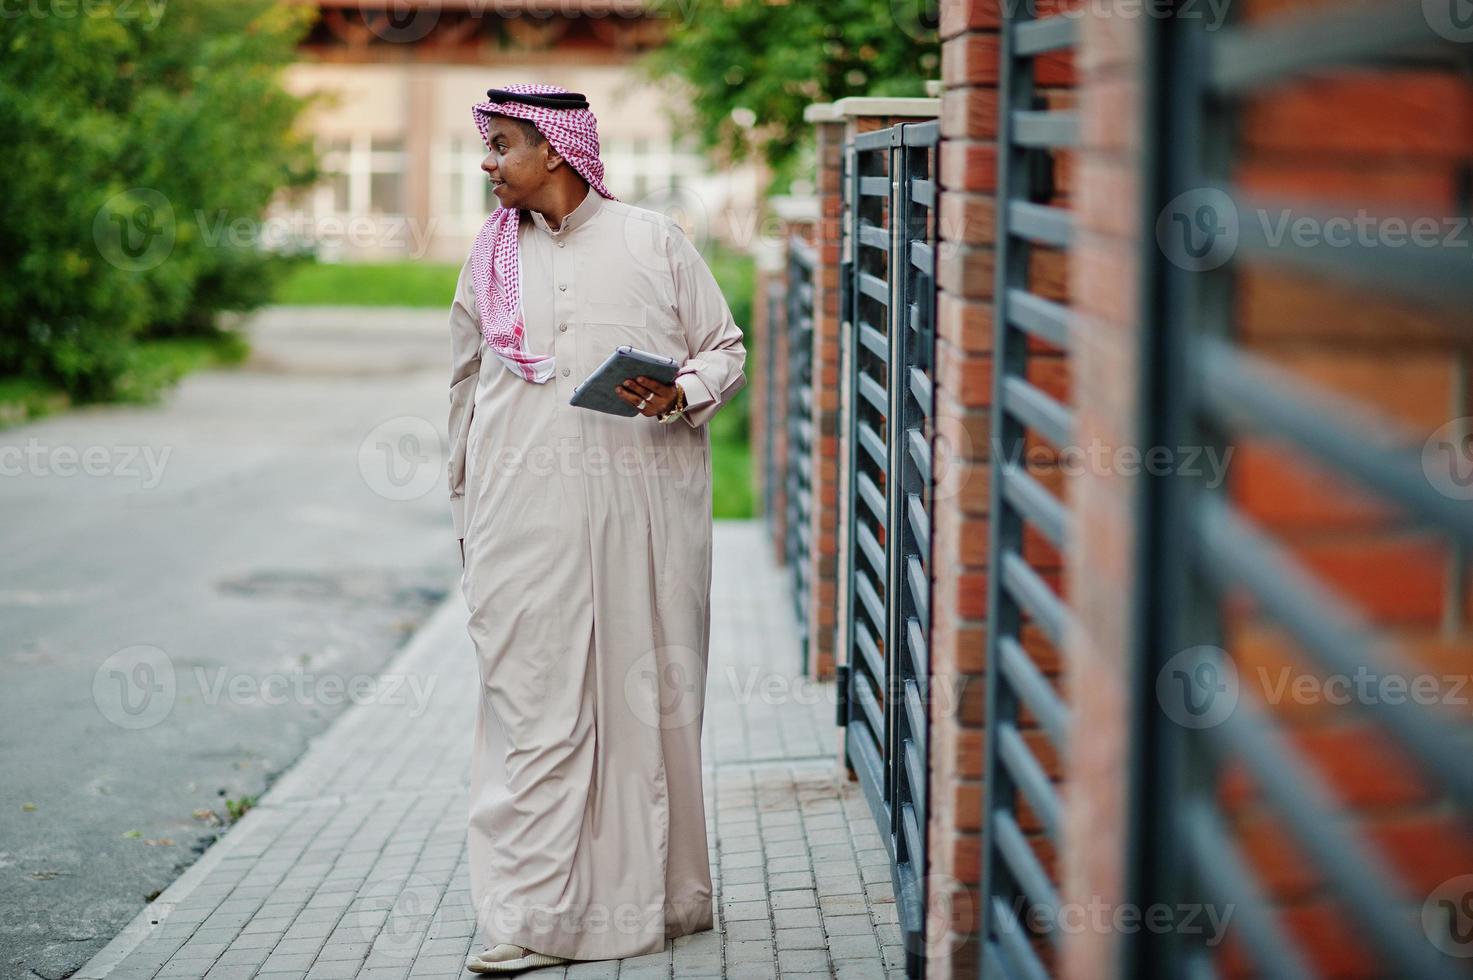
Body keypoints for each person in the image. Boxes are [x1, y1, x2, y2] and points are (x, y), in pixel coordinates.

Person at [445, 82, 747, 974]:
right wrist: (467, 501)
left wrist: (682, 390)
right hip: (522, 521)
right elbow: (462, 385)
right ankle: (532, 917)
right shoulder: (488, 255)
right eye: (487, 146)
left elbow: (723, 348)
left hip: (640, 515)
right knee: (532, 704)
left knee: (642, 701)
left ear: (555, 150)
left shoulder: (653, 241)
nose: (488, 163)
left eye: (502, 146)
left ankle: (664, 898)